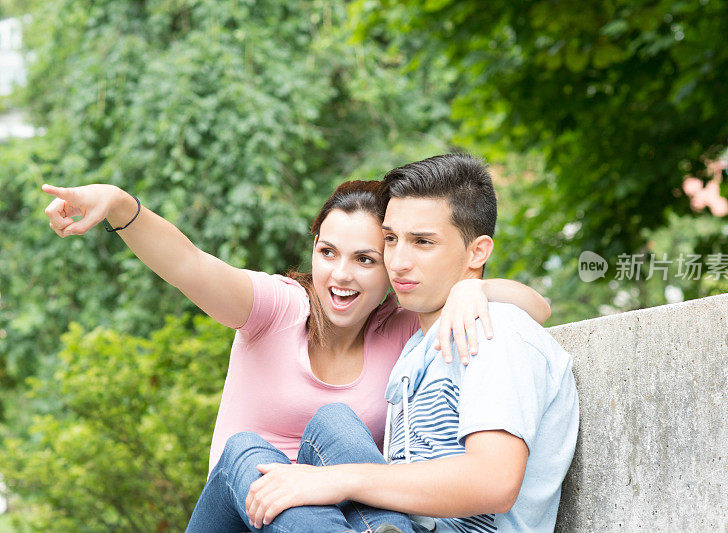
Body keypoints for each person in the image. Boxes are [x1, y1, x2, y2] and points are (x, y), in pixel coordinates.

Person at [41, 178, 552, 532]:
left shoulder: (404, 330)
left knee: (335, 420)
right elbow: (188, 264)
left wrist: (471, 289)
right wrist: (117, 205)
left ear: (391, 266)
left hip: (333, 518)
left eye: (365, 259)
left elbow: (539, 307)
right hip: (236, 515)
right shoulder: (276, 307)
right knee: (249, 452)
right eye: (327, 252)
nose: (340, 275)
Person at [242, 154, 580, 532]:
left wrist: (338, 479)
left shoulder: (491, 330)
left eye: (422, 242)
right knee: (321, 426)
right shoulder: (418, 347)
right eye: (391, 239)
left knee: (243, 460)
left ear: (478, 252)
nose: (398, 262)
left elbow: (494, 481)